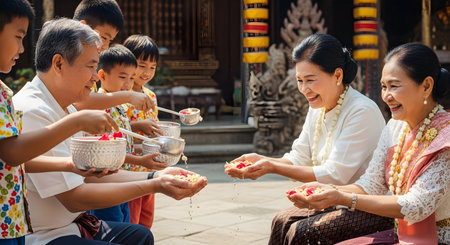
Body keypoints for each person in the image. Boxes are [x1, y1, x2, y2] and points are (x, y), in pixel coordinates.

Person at [13, 18, 207, 245]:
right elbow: (74, 197)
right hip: (45, 236)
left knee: (141, 234)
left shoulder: (67, 106)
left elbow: (90, 174)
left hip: (71, 225)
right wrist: (154, 184)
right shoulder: (33, 110)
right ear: (58, 64)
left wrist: (154, 176)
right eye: (90, 67)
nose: (95, 77)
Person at [225, 34, 392, 244]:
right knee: (281, 220)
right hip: (332, 199)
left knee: (302, 232)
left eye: (310, 80)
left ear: (337, 75)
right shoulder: (319, 107)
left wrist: (272, 167)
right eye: (299, 81)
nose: (304, 89)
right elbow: (298, 157)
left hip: (369, 205)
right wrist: (260, 160)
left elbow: (335, 175)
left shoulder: (361, 110)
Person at [291, 43, 450, 244]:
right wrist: (327, 190)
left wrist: (342, 198)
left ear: (426, 86)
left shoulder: (445, 137)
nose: (386, 96)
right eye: (384, 87)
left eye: (394, 86)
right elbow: (371, 184)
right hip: (401, 232)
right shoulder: (395, 127)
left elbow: (416, 207)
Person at [0, 2, 121, 244]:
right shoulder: (32, 107)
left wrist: (69, 164)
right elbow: (12, 153)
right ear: (58, 64)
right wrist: (75, 122)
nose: (22, 49)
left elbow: (21, 158)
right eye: (18, 36)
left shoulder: (5, 92)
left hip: (12, 221)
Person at [88, 45, 168, 223]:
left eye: (131, 78)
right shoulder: (100, 107)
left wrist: (149, 148)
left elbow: (125, 143)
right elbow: (107, 153)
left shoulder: (121, 106)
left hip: (123, 180)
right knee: (115, 231)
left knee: (132, 226)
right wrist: (139, 160)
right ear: (102, 76)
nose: (128, 84)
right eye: (123, 77)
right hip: (107, 182)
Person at [72, 0, 157, 121]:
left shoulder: (88, 63)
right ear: (84, 27)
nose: (105, 46)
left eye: (109, 40)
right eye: (103, 37)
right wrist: (128, 96)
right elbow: (79, 103)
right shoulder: (72, 62)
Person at [123, 34, 161, 229]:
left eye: (152, 67)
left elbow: (153, 126)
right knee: (132, 223)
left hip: (149, 168)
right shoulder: (118, 97)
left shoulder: (150, 95)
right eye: (141, 65)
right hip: (129, 172)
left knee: (146, 222)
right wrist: (137, 126)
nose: (147, 72)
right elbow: (113, 130)